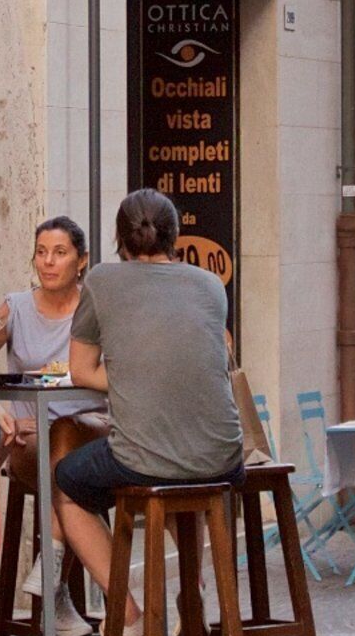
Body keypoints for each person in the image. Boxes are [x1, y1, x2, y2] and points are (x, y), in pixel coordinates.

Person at [56, 189, 246, 611]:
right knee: (183, 474)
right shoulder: (210, 284)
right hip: (224, 457)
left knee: (67, 484)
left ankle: (128, 617)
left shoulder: (102, 280)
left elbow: (82, 370)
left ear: (119, 239)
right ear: (174, 235)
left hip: (144, 457)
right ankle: (191, 595)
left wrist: (133, 379)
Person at [0, 216, 92, 380]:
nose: (48, 261)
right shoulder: (15, 308)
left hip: (91, 406)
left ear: (82, 260)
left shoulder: (96, 308)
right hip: (32, 405)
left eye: (60, 252)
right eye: (41, 252)